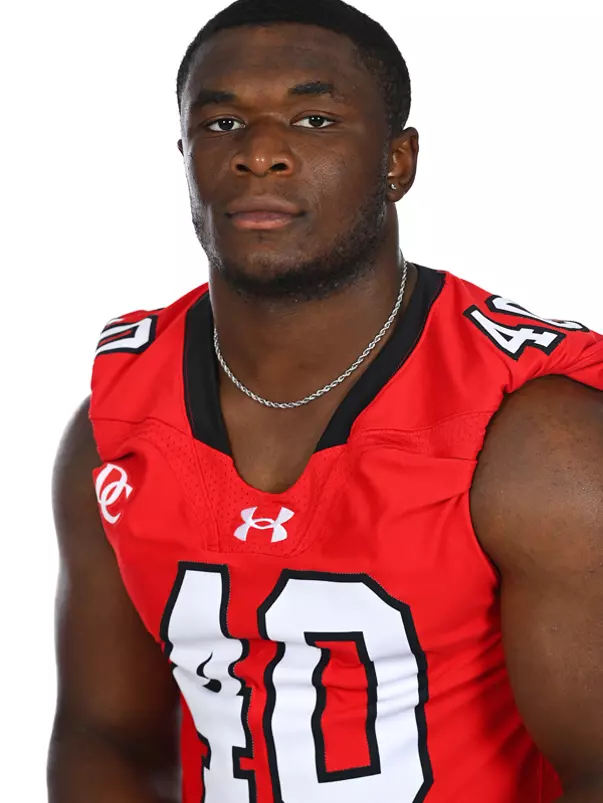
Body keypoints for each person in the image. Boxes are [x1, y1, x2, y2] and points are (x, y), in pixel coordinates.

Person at [47, 0, 603, 801]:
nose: (261, 153)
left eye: (312, 118)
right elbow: (107, 739)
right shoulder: (119, 421)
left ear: (396, 162)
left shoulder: (538, 432)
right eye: (222, 125)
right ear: (184, 155)